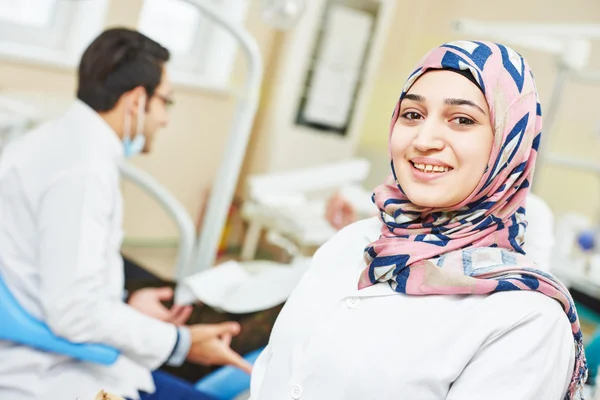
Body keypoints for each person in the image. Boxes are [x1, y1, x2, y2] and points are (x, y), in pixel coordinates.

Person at [249, 41, 587, 399]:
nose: (424, 140)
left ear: (509, 143)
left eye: (462, 120)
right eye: (412, 114)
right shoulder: (352, 242)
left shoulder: (527, 320)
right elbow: (276, 371)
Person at [0, 28, 250, 400]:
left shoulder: (52, 143)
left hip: (61, 353)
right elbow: (73, 312)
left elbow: (54, 281)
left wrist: (125, 306)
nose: (165, 119)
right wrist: (181, 343)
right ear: (136, 101)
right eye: (166, 102)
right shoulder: (81, 171)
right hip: (52, 375)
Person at [325, 186, 556, 270]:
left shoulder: (529, 213)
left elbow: (530, 287)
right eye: (413, 115)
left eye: (463, 122)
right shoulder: (406, 197)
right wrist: (351, 229)